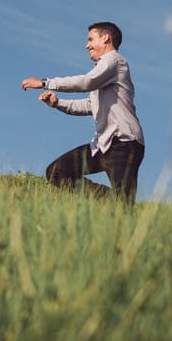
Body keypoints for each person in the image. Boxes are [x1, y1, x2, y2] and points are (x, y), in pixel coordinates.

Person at [21, 21, 144, 204]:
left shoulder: (114, 61)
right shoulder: (102, 71)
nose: (87, 45)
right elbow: (89, 105)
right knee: (57, 172)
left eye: (90, 39)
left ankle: (118, 205)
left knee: (125, 209)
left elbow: (87, 82)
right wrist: (57, 103)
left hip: (124, 145)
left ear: (105, 38)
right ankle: (108, 200)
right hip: (103, 145)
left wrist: (45, 82)